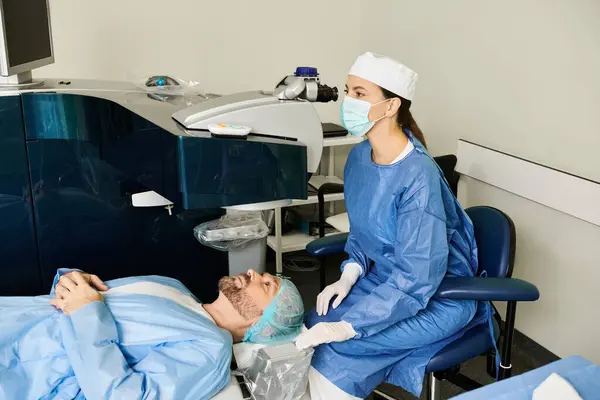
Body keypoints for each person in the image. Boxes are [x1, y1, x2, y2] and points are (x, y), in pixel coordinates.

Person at [295, 52, 491, 399]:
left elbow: (418, 275)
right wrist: (349, 274)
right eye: (347, 92)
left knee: (345, 344)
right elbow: (363, 232)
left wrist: (350, 325)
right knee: (315, 323)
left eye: (359, 93)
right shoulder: (359, 158)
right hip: (383, 283)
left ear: (390, 106)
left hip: (439, 298)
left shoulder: (419, 175)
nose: (347, 102)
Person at [0, 268, 303, 400]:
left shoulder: (211, 350)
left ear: (263, 323)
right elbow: (92, 299)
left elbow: (122, 396)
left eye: (266, 285)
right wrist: (72, 280)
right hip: (18, 318)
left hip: (25, 368)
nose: (253, 273)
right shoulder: (174, 286)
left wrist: (86, 313)